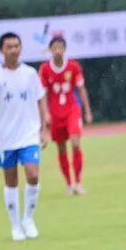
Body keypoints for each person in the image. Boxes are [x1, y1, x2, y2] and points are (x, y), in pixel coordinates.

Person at [0, 32, 50, 242]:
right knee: (11, 181)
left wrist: (44, 128)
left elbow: (40, 99)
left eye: (17, 46)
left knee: (33, 175)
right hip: (5, 138)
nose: (13, 50)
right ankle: (15, 225)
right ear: (1, 50)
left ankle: (28, 218)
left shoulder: (30, 73)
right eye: (9, 46)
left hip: (28, 134)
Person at [38, 36, 93, 195]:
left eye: (60, 47)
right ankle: (69, 184)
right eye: (55, 48)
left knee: (75, 142)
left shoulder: (73, 66)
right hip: (55, 112)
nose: (58, 51)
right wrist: (45, 114)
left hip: (72, 109)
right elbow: (42, 94)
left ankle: (78, 182)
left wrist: (87, 111)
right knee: (61, 148)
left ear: (65, 49)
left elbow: (81, 89)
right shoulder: (44, 69)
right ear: (50, 50)